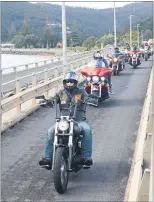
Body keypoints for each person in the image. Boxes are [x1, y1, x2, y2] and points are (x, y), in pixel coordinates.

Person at [39, 71, 93, 170]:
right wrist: (46, 102)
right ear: (64, 82)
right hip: (63, 121)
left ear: (75, 82)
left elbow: (87, 98)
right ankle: (48, 159)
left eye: (71, 82)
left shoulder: (81, 92)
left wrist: (88, 100)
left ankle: (86, 157)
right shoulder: (60, 93)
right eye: (67, 82)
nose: (69, 84)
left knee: (87, 130)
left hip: (79, 120)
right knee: (50, 131)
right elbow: (53, 100)